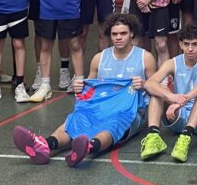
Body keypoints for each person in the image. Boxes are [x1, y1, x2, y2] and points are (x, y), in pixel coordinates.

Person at [11, 13, 153, 166]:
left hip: (129, 111)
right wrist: (80, 88)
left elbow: (157, 89)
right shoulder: (99, 58)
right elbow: (89, 90)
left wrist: (145, 84)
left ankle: (89, 146)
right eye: (114, 34)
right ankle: (45, 145)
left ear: (132, 33)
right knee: (76, 118)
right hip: (100, 107)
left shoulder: (145, 57)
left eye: (123, 33)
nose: (118, 37)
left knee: (114, 124)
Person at [140, 23, 197, 163]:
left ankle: (185, 137)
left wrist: (184, 99)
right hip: (178, 115)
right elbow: (149, 83)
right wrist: (171, 96)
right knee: (157, 91)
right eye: (186, 44)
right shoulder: (172, 63)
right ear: (180, 44)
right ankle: (153, 137)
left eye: (195, 44)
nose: (190, 49)